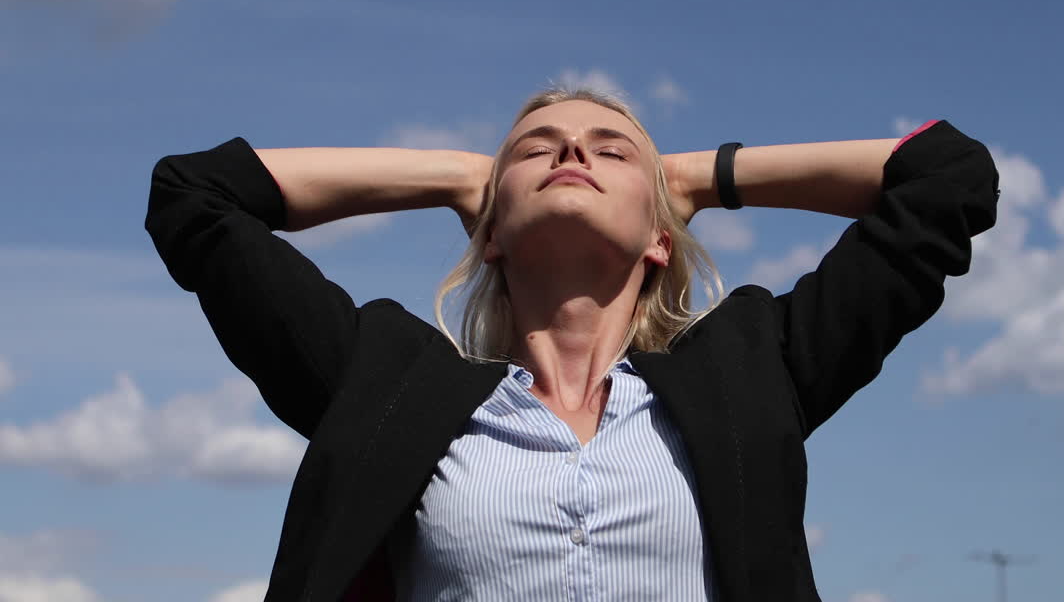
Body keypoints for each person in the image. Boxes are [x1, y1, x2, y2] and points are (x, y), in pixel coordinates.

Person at [145, 86, 999, 601]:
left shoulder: (753, 373)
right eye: (536, 151)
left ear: (660, 233)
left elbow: (946, 177)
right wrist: (454, 174)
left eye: (611, 150)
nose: (573, 151)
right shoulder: (383, 385)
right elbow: (196, 195)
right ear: (489, 231)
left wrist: (697, 177)